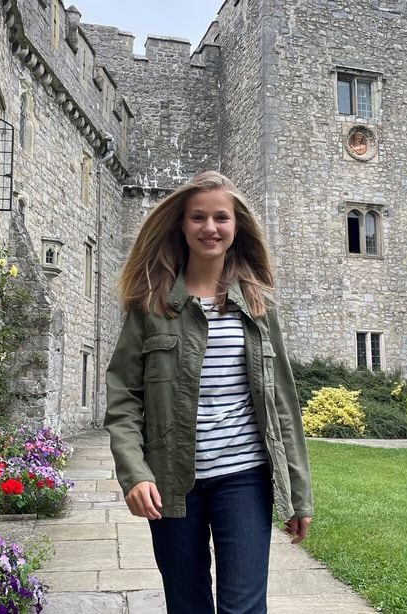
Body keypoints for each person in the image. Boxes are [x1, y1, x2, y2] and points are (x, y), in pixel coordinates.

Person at [104, 170, 314, 614]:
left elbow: (283, 403)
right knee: (187, 605)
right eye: (198, 217)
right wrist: (134, 472)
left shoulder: (259, 305)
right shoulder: (151, 305)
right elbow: (123, 397)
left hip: (244, 478)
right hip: (172, 480)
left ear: (236, 227)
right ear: (182, 225)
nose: (210, 228)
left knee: (242, 608)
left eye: (221, 217)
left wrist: (298, 494)